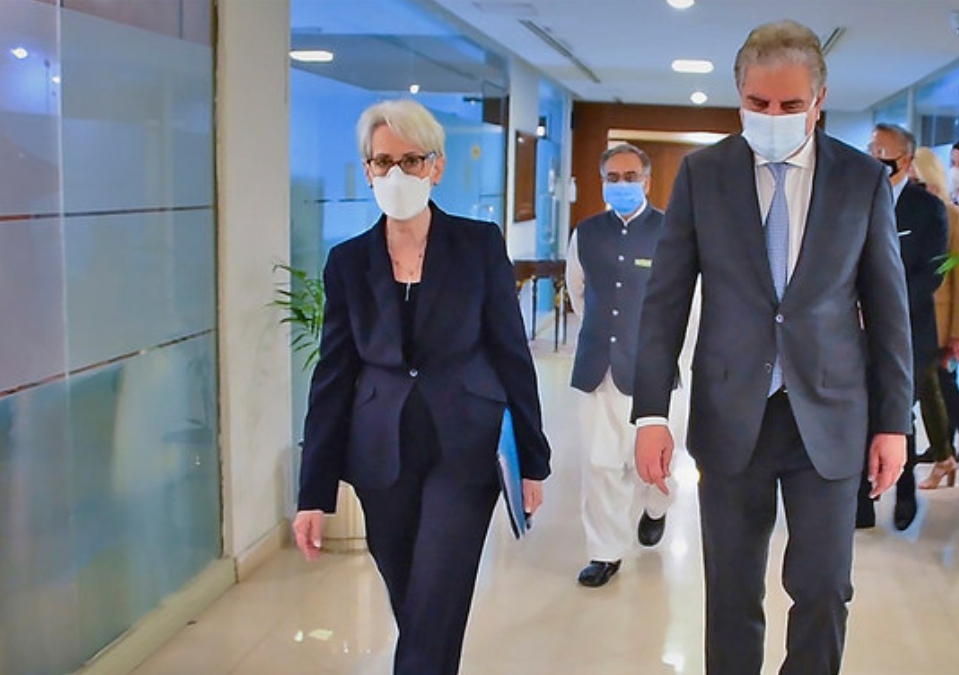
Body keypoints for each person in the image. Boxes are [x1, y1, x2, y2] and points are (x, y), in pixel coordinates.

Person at [632, 20, 912, 675]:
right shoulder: (703, 175)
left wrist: (894, 423)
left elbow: (889, 310)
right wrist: (650, 413)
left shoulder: (861, 180)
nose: (774, 116)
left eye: (791, 104)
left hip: (830, 415)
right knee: (732, 593)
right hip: (733, 412)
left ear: (820, 100)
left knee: (824, 589)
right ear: (739, 97)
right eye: (758, 103)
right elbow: (665, 300)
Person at [291, 99, 552, 675]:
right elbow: (332, 377)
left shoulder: (477, 245)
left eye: (411, 160)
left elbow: (511, 353)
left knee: (438, 592)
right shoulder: (348, 263)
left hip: (465, 446)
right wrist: (313, 493)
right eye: (383, 161)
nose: (397, 174)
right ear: (367, 169)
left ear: (436, 167)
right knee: (417, 600)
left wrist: (532, 460)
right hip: (381, 455)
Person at [566, 143, 673, 588]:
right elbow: (577, 292)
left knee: (653, 463)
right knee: (600, 465)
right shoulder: (586, 233)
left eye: (631, 177)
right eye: (613, 177)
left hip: (652, 371)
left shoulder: (671, 231)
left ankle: (656, 508)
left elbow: (685, 303)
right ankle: (605, 553)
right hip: (598, 366)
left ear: (647, 181)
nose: (622, 184)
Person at [860, 124, 949, 529]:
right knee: (860, 411)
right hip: (857, 328)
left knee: (898, 411)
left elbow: (932, 273)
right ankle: (862, 499)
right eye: (871, 150)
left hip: (909, 329)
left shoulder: (927, 208)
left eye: (884, 153)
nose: (876, 159)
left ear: (906, 160)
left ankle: (906, 488)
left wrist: (885, 308)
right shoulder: (857, 198)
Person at [911, 147, 959, 474]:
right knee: (932, 388)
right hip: (913, 318)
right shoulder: (908, 215)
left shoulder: (956, 218)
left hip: (939, 322)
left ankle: (949, 448)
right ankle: (946, 451)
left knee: (929, 387)